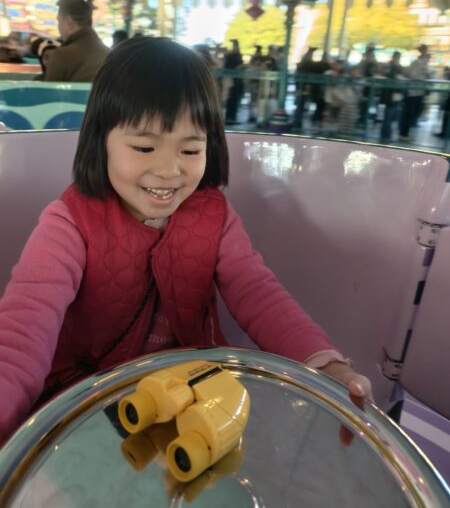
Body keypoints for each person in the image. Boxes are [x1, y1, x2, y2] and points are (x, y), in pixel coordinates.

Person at [0, 37, 372, 444]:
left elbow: (258, 294)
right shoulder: (69, 223)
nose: (168, 170)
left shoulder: (214, 216)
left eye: (191, 150)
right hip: (90, 400)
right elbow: (23, 331)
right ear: (101, 140)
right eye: (144, 147)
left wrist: (323, 364)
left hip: (193, 397)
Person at [45, 0, 109, 82]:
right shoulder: (109, 54)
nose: (59, 27)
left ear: (69, 22)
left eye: (59, 21)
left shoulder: (62, 56)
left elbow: (50, 90)